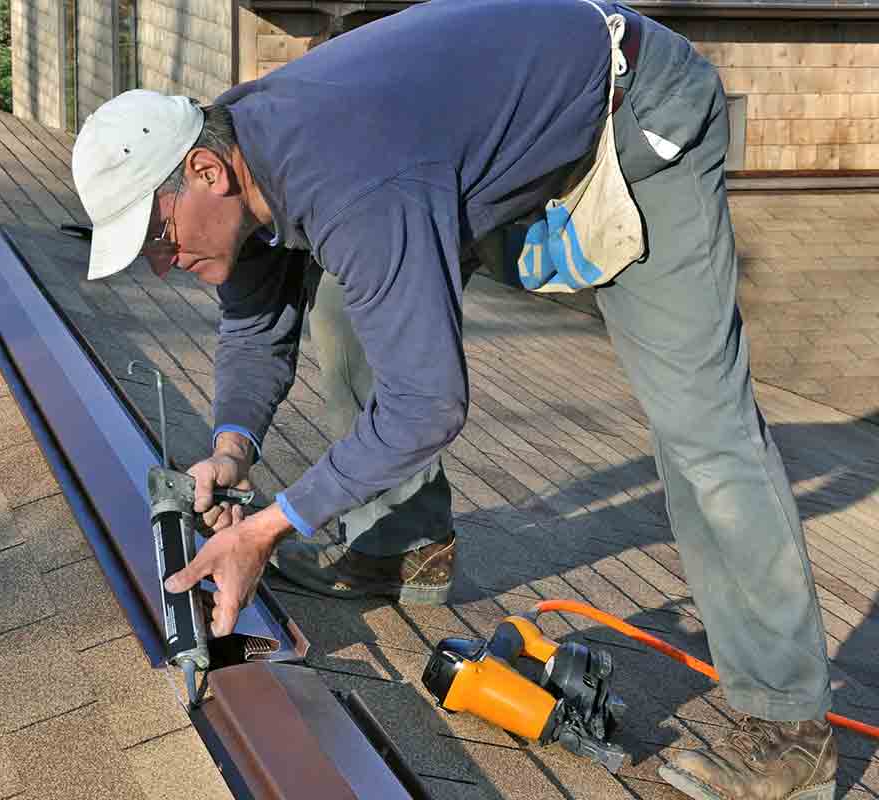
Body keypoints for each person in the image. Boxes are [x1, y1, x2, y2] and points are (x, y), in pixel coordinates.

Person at [70, 1, 838, 796]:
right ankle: (402, 546)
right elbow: (258, 324)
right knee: (348, 306)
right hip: (474, 142)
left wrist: (270, 525)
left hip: (632, 112)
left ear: (206, 173)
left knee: (701, 428)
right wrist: (231, 451)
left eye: (159, 237)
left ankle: (789, 731)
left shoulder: (349, 174)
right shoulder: (239, 147)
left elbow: (427, 403)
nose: (163, 264)